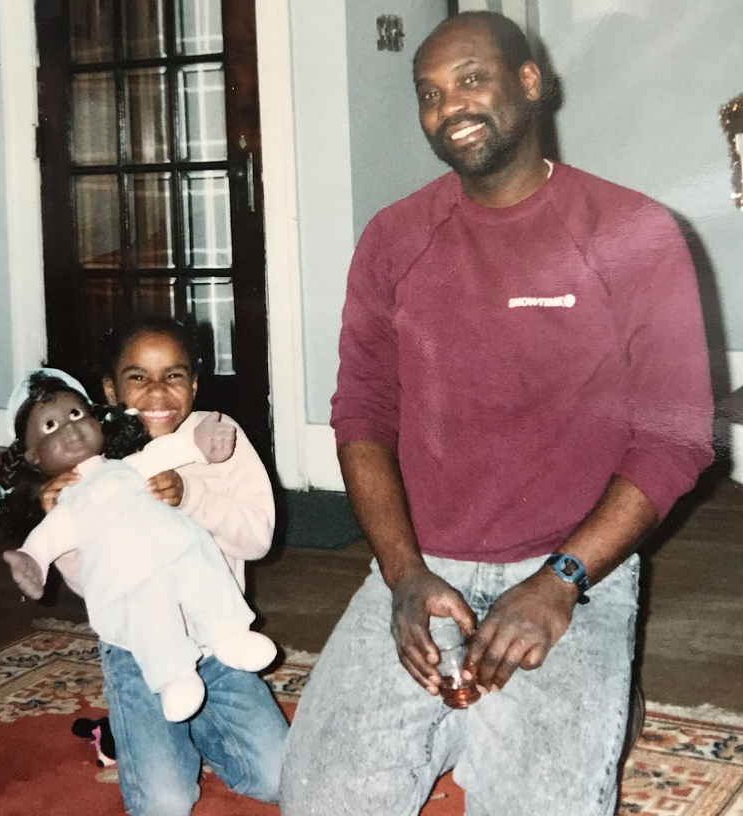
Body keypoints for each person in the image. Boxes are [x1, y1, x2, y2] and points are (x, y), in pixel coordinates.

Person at [280, 11, 714, 816]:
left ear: (530, 83)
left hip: (571, 571)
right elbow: (363, 412)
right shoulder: (393, 238)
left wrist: (562, 582)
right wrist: (402, 572)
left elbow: (674, 437)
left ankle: (595, 686)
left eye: (471, 79)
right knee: (315, 801)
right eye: (429, 94)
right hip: (423, 564)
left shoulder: (634, 232)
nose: (450, 107)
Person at [35, 317, 287, 815]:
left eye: (173, 375)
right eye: (137, 377)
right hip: (140, 653)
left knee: (279, 777)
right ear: (109, 388)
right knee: (165, 803)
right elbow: (94, 586)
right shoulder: (88, 460)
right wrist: (61, 528)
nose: (157, 393)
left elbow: (257, 540)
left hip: (218, 644)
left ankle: (191, 720)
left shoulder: (219, 437)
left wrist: (191, 496)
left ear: (194, 382)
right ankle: (131, 723)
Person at [1, 369, 277, 724]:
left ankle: (230, 636)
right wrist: (31, 561)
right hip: (137, 583)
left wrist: (200, 444)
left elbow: (168, 451)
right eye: (50, 427)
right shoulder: (67, 508)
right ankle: (174, 677)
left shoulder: (127, 466)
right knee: (151, 614)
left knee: (205, 573)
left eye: (75, 415)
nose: (70, 429)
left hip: (183, 550)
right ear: (33, 457)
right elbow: (46, 542)